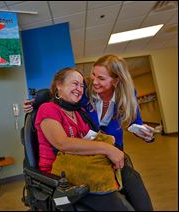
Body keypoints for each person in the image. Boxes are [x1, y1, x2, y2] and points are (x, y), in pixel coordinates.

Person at [34, 67, 153, 210]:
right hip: (61, 173)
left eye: (82, 85)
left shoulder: (80, 113)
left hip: (87, 165)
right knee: (119, 205)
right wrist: (107, 149)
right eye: (74, 83)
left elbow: (94, 139)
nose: (79, 88)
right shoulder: (47, 109)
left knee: (132, 177)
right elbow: (62, 143)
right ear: (59, 85)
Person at [24, 54, 155, 151]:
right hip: (89, 144)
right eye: (93, 74)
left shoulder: (128, 94)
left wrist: (146, 135)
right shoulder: (85, 87)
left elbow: (135, 123)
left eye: (101, 78)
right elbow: (63, 92)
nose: (95, 81)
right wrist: (37, 101)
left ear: (116, 81)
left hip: (114, 143)